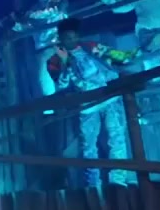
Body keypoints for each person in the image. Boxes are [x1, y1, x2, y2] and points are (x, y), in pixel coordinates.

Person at [51, 18, 138, 188]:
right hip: (87, 105)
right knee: (88, 145)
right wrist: (65, 61)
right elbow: (62, 84)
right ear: (61, 39)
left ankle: (118, 179)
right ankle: (92, 184)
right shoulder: (54, 61)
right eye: (67, 38)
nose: (71, 41)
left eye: (74, 37)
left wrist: (131, 55)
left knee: (117, 137)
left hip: (110, 98)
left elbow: (116, 56)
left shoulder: (90, 47)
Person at [11, 0, 70, 97]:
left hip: (59, 42)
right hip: (44, 48)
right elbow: (29, 26)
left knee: (66, 76)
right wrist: (15, 24)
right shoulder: (35, 7)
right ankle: (53, 106)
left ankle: (69, 101)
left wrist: (30, 15)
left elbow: (53, 10)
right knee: (46, 82)